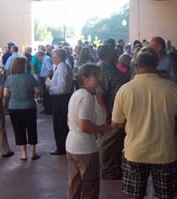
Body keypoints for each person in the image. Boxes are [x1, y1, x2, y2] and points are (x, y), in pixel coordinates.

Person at [112, 50, 177, 199]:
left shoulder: (125, 89)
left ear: (136, 65)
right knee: (164, 195)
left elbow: (117, 123)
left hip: (135, 152)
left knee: (135, 195)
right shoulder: (171, 87)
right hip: (164, 152)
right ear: (157, 64)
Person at [66, 64, 111, 199]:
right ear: (85, 79)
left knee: (75, 184)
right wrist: (102, 129)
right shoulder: (86, 98)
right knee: (90, 187)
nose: (99, 79)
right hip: (85, 149)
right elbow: (84, 127)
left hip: (72, 145)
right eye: (96, 76)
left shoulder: (76, 94)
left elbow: (69, 121)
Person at [96, 45, 130, 180]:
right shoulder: (103, 69)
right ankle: (106, 169)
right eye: (113, 53)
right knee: (107, 140)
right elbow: (100, 94)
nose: (116, 54)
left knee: (115, 140)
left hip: (116, 109)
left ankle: (114, 166)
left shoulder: (109, 66)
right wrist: (107, 112)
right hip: (109, 110)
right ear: (105, 55)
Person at [4, 56, 41, 160]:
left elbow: (6, 94)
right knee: (31, 128)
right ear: (25, 65)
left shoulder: (10, 78)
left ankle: (23, 153)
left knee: (18, 129)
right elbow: (37, 91)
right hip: (29, 106)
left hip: (14, 107)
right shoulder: (30, 77)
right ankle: (33, 152)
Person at [47, 49, 73, 155]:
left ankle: (61, 147)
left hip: (60, 98)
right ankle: (62, 146)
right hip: (62, 98)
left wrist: (50, 89)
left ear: (60, 58)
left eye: (54, 56)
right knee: (61, 124)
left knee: (60, 124)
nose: (52, 58)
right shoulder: (62, 66)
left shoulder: (62, 68)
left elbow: (62, 88)